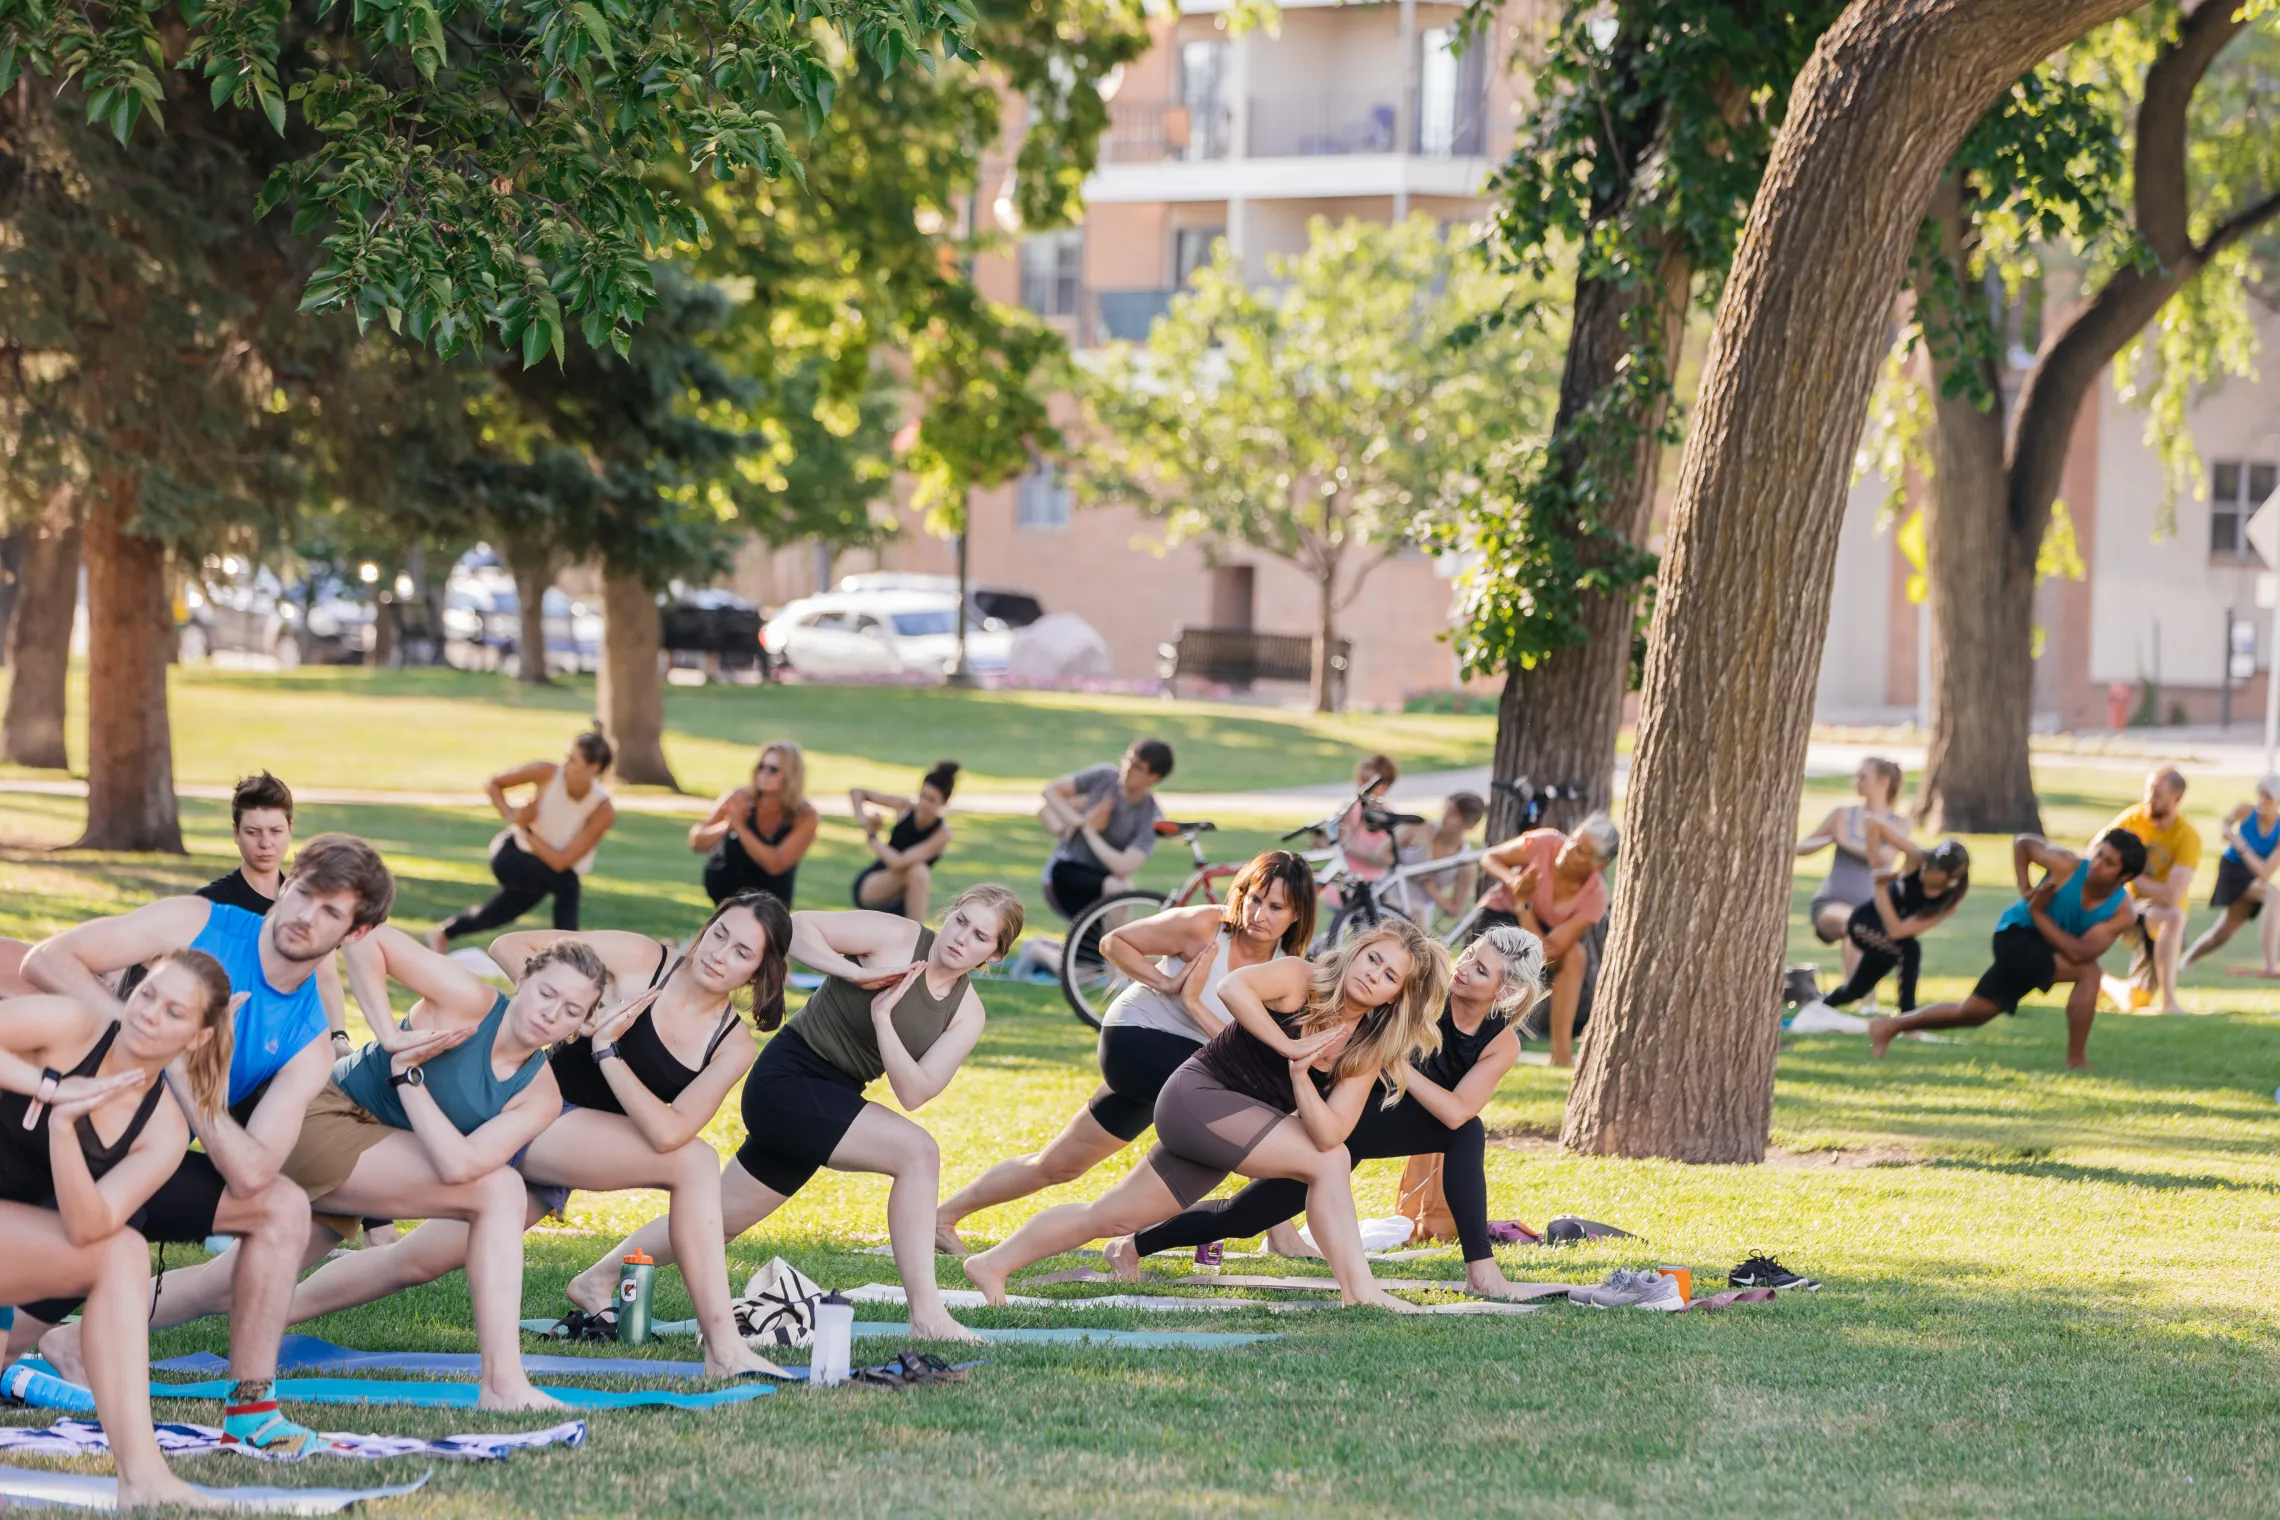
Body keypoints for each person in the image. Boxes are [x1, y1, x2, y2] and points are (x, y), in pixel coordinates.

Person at [272, 894, 795, 1379]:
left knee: (414, 1262)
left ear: (760, 972)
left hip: (574, 1148)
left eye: (742, 950)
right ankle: (724, 1349)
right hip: (536, 1110)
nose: (720, 953)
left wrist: (607, 1051)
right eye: (719, 933)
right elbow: (511, 946)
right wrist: (577, 1014)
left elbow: (669, 1130)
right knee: (697, 1163)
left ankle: (268, 1309)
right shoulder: (642, 959)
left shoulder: (731, 1045)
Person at [11, 834, 395, 1453]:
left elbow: (253, 1172)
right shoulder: (198, 921)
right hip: (36, 1125)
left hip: (134, 1161)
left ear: (353, 934)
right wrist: (148, 1032)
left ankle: (252, 1409)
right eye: (303, 894)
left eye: (331, 911)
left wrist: (190, 1072)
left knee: (283, 1207)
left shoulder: (308, 1039)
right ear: (286, 883)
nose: (304, 916)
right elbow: (47, 961)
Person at [146, 929, 608, 1411]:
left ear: (579, 1025)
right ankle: (503, 1384)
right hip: (322, 1119)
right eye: (546, 993)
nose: (551, 1013)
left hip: (374, 1156)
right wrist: (389, 1034)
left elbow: (460, 1163)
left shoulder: (539, 1093)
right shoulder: (469, 1000)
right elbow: (367, 940)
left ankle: (82, 1333)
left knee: (224, 1285)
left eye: (571, 1011)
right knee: (501, 1190)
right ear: (524, 979)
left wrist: (408, 1078)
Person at [591, 886, 1025, 1344]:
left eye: (980, 936)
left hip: (832, 1098)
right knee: (918, 1153)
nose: (961, 938)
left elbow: (915, 1091)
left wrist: (883, 1019)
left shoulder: (965, 1014)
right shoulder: (896, 936)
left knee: (718, 1220)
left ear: (993, 954)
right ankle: (927, 1317)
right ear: (950, 912)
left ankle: (596, 1280)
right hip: (788, 1079)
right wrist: (851, 973)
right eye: (961, 921)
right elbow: (794, 927)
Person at [962, 919, 1453, 1313]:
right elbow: (1235, 988)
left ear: (1397, 996)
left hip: (1237, 1123)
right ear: (1357, 951)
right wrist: (1289, 1045)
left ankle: (992, 1263)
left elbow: (1329, 1131)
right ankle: (1358, 1291)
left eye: (1390, 976)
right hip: (1198, 1096)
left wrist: (1302, 1077)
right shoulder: (1301, 978)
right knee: (1331, 1164)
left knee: (1111, 1217)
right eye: (1373, 959)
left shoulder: (1367, 1044)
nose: (1374, 974)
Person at [1113, 924, 1546, 1301]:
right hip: (1333, 1118)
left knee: (1467, 1131)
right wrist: (1384, 1057)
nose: (1463, 968)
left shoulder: (1501, 1043)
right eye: (1469, 955)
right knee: (1242, 1217)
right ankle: (1133, 1245)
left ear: (1504, 992)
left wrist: (1393, 1063)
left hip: (1375, 1126)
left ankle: (1481, 1270)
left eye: (1480, 970)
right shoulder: (1423, 1001)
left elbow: (1456, 1112)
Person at [934, 851, 1318, 1254]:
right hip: (1138, 1040)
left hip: (1190, 1063)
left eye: (1275, 907)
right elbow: (1114, 942)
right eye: (1254, 899)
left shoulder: (1286, 969)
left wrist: (1194, 1003)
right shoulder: (1206, 926)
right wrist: (1168, 986)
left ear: (1297, 915)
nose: (1259, 914)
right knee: (1243, 1113)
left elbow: (1248, 1049)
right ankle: (1276, 1234)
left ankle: (942, 1218)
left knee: (1058, 1165)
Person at [0, 951, 236, 1505]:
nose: (150, 1013)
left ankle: (142, 1475)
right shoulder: (74, 1024)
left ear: (197, 1038)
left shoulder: (162, 1128)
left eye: (175, 1011)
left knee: (123, 1252)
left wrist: (64, 1129)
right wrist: (51, 1087)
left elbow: (89, 1228)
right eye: (148, 994)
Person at [1870, 830, 2146, 1069]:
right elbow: (2023, 844)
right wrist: (2026, 889)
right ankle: (2076, 1060)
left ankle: (1888, 1027)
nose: (2097, 865)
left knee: (1972, 1013)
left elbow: (2078, 952)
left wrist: (2039, 913)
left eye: (2108, 863)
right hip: (2015, 936)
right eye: (2099, 855)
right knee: (2090, 974)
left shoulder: (2122, 913)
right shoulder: (2067, 866)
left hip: (2043, 946)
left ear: (2126, 876)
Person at [433, 731, 617, 947]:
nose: (565, 765)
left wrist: (527, 830)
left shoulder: (602, 809)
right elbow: (494, 783)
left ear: (593, 767)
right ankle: (571, 958)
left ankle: (444, 933)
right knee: (568, 885)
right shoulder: (546, 773)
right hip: (512, 855)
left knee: (500, 914)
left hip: (548, 869)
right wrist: (513, 817)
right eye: (566, 757)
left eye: (572, 760)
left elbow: (561, 862)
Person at [1477, 813, 1619, 1067]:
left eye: (1581, 852)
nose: (1568, 851)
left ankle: (1561, 1054)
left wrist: (1525, 903)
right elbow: (1490, 858)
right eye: (1573, 841)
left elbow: (1548, 952)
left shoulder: (1595, 896)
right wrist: (1514, 883)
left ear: (1598, 866)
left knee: (1575, 956)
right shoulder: (1545, 842)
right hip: (1501, 916)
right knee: (1501, 962)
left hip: (1535, 927)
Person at [1803, 836, 1969, 1015]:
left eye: (1934, 869)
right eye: (1928, 864)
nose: (1926, 869)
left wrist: (1881, 887)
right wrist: (1876, 861)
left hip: (1890, 937)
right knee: (1910, 950)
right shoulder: (1914, 864)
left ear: (1950, 878)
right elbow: (1875, 823)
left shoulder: (1948, 903)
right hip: (1863, 924)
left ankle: (1817, 1008)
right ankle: (1907, 1018)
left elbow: (1899, 931)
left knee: (1856, 990)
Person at [1795, 757, 1909, 987]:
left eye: (1863, 777)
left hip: (1873, 908)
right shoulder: (1842, 815)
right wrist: (1828, 839)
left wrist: (1844, 839)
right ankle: (1850, 994)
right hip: (1832, 903)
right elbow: (1800, 848)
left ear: (1884, 781)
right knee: (1855, 924)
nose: (1856, 782)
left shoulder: (1898, 823)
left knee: (1868, 927)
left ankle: (1864, 1001)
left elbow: (1883, 859)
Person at [2098, 767, 2200, 1015]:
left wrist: (2131, 873)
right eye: (2148, 790)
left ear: (2176, 798)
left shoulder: (2186, 837)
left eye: (2156, 793)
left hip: (2159, 923)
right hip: (2128, 909)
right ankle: (2169, 1002)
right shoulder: (2133, 819)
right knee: (2172, 915)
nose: (2148, 798)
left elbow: (2172, 895)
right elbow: (2096, 850)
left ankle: (2100, 981)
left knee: (2137, 1000)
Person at [1039, 739, 1174, 921]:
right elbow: (1050, 791)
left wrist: (1091, 832)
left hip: (1101, 881)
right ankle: (1110, 947)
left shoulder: (1151, 816)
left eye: (1137, 767)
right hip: (1066, 869)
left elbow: (1124, 866)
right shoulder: (1105, 777)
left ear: (1153, 778)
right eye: (1128, 760)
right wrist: (1079, 822)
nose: (1127, 768)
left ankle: (1036, 949)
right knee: (1120, 890)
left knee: (1122, 888)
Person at [694, 741, 819, 907]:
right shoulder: (739, 798)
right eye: (761, 766)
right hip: (725, 891)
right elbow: (696, 841)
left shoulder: (805, 816)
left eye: (773, 769)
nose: (764, 773)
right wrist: (727, 826)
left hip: (770, 900)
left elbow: (775, 865)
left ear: (791, 775)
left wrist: (740, 827)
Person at [2183, 775, 2280, 978]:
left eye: (2268, 797)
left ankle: (2188, 958)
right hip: (2232, 869)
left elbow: (2266, 872)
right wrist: (2229, 833)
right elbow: (2226, 823)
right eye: (2261, 795)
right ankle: (2270, 966)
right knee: (2274, 895)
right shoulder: (2245, 811)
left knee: (2225, 932)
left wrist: (2240, 844)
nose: (2262, 801)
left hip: (2253, 873)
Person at [851, 761, 959, 921]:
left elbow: (899, 862)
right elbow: (857, 792)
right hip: (874, 884)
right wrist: (863, 820)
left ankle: (917, 937)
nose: (923, 804)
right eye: (922, 796)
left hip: (904, 896)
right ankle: (918, 935)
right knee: (919, 872)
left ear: (944, 803)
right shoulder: (905, 807)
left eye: (931, 800)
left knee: (919, 871)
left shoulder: (942, 833)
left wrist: (872, 836)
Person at [1390, 791, 1486, 922]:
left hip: (1416, 913)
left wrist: (1433, 891)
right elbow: (1380, 854)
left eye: (1453, 814)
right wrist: (1409, 870)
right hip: (1387, 897)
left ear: (1468, 825)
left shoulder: (1465, 863)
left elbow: (1455, 910)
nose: (1445, 816)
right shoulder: (1421, 828)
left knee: (1418, 923)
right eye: (1447, 809)